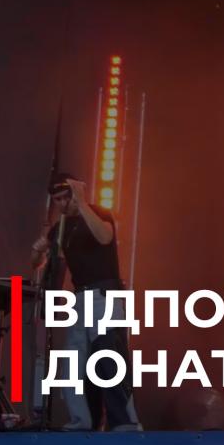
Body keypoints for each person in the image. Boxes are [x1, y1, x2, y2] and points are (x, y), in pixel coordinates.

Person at [31, 172, 141, 431]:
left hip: (103, 295)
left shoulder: (99, 212)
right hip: (80, 297)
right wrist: (37, 249)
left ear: (76, 192)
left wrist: (81, 203)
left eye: (66, 197)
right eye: (57, 199)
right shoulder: (61, 227)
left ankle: (124, 422)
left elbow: (104, 237)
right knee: (73, 363)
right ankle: (82, 421)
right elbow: (36, 263)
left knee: (109, 358)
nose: (62, 203)